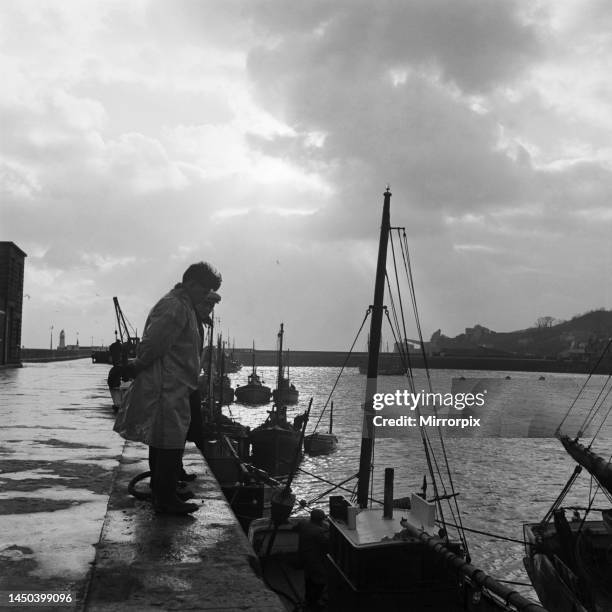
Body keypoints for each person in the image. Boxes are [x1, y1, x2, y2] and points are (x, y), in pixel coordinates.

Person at [113, 262, 222, 515]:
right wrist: (138, 366)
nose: (205, 295)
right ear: (192, 283)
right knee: (169, 441)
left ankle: (164, 493)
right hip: (166, 385)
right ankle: (165, 497)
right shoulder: (175, 306)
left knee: (166, 440)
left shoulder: (183, 305)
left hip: (176, 385)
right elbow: (154, 344)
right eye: (204, 289)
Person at [294, 508, 329, 609]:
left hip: (303, 558)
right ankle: (314, 602)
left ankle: (308, 599)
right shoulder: (319, 532)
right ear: (320, 520)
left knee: (308, 578)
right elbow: (328, 545)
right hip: (314, 561)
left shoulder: (303, 524)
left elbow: (294, 528)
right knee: (321, 581)